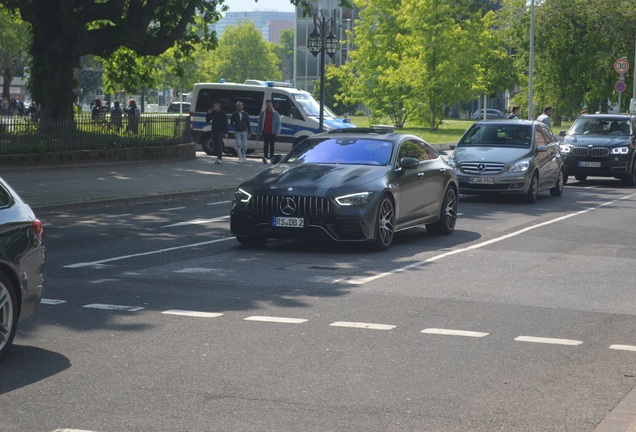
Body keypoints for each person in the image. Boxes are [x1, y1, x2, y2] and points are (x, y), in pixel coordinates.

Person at [257, 99, 281, 164]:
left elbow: (278, 123)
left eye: (269, 104)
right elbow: (259, 123)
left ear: (272, 105)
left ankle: (271, 157)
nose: (268, 105)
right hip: (265, 131)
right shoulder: (263, 113)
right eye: (267, 104)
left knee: (272, 145)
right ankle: (265, 157)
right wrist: (258, 133)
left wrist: (277, 131)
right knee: (266, 144)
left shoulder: (275, 113)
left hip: (272, 132)